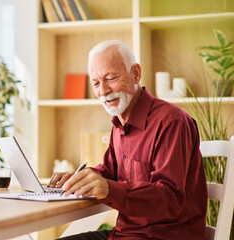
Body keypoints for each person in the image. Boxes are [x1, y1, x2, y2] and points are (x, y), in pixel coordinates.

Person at [48, 40, 208, 240]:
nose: (103, 91)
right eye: (96, 83)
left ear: (136, 74)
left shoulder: (171, 122)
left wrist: (108, 188)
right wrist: (81, 178)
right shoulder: (120, 122)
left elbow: (171, 198)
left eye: (111, 78)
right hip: (125, 234)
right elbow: (108, 171)